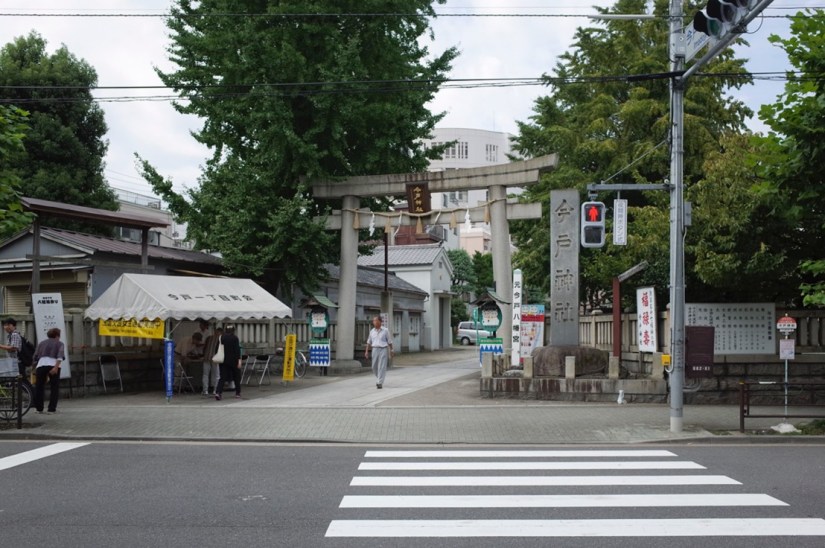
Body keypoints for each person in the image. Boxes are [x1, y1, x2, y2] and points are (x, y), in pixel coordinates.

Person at [32, 327, 65, 414]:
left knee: (39, 387)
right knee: (54, 387)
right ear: (57, 336)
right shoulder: (59, 343)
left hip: (41, 365)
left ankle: (39, 408)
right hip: (53, 364)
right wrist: (56, 367)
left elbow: (35, 356)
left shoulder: (41, 343)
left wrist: (34, 367)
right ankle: (51, 409)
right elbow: (60, 356)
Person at [214, 325, 242, 401]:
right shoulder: (235, 338)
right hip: (233, 361)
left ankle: (218, 392)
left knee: (222, 378)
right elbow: (237, 350)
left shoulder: (221, 338)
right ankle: (238, 393)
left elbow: (216, 349)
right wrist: (239, 361)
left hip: (223, 361)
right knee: (236, 377)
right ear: (233, 331)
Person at [365, 315, 393, 389]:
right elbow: (368, 342)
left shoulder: (385, 330)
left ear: (380, 321)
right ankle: (379, 378)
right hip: (375, 349)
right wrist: (366, 351)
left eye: (376, 320)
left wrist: (391, 350)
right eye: (373, 321)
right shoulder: (372, 331)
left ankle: (379, 382)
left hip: (383, 349)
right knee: (374, 366)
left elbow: (389, 341)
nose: (374, 322)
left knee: (382, 366)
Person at [202, 327, 222, 396]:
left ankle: (205, 390)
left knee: (205, 374)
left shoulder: (208, 338)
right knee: (216, 375)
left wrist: (204, 355)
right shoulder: (221, 339)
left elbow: (204, 348)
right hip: (216, 358)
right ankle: (215, 390)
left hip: (206, 357)